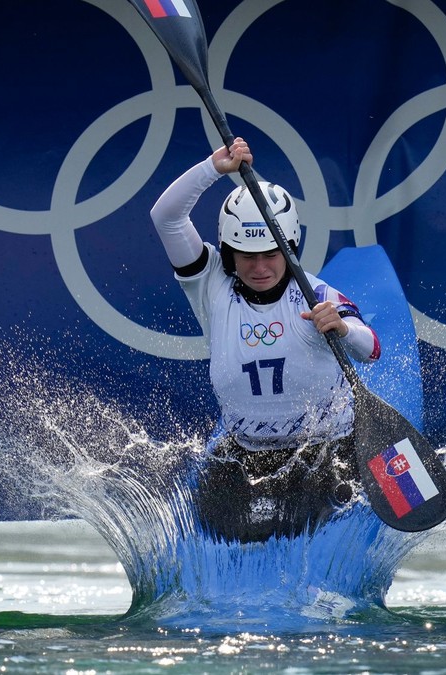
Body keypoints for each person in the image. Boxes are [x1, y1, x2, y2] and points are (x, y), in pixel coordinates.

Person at [150, 137, 381, 542]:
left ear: (289, 247)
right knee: (215, 528)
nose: (259, 267)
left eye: (271, 254)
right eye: (246, 255)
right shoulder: (209, 285)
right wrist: (212, 168)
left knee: (300, 524)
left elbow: (372, 350)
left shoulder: (316, 295)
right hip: (243, 455)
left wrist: (343, 330)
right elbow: (166, 217)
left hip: (326, 452)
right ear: (228, 252)